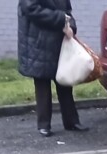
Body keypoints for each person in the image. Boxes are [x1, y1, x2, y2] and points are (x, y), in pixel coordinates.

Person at [17, 0, 89, 137]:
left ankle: (71, 121)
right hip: (38, 41)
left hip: (58, 39)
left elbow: (67, 11)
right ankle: (44, 125)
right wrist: (61, 19)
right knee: (42, 83)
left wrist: (71, 26)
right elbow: (31, 9)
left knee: (65, 81)